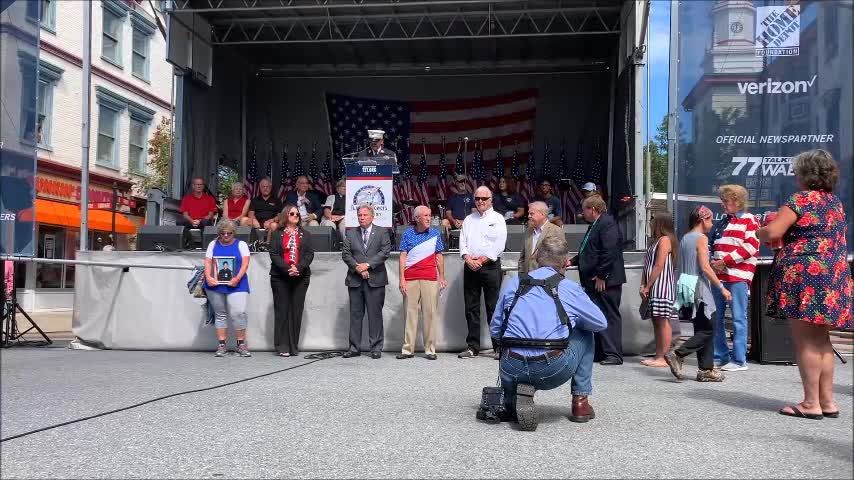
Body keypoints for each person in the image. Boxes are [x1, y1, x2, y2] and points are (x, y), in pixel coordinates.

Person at [759, 149, 852, 420]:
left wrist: (759, 230)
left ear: (805, 174)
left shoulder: (800, 199)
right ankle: (827, 401)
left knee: (805, 341)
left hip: (805, 274)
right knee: (823, 340)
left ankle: (811, 403)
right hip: (832, 274)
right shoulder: (834, 202)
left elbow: (774, 231)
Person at [489, 235, 608, 431]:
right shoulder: (569, 288)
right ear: (565, 263)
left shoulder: (513, 283)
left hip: (511, 365)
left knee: (511, 338)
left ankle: (512, 397)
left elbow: (495, 328)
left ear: (536, 257)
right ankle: (580, 402)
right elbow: (600, 323)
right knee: (586, 333)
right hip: (552, 369)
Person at [665, 206, 731, 382]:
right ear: (702, 220)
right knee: (710, 329)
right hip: (699, 287)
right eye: (710, 220)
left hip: (686, 286)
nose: (711, 224)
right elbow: (704, 268)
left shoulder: (685, 238)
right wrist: (721, 288)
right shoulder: (701, 238)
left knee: (702, 327)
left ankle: (705, 369)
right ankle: (678, 353)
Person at [569, 195, 626, 365]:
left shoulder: (607, 224)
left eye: (584, 209)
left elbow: (609, 251)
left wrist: (602, 275)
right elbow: (589, 250)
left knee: (608, 314)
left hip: (605, 281)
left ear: (593, 209)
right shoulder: (595, 225)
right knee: (597, 314)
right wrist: (572, 261)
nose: (582, 213)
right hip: (594, 281)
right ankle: (601, 351)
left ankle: (614, 354)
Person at [709, 184, 760, 372]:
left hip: (737, 277)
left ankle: (739, 360)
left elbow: (751, 246)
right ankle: (721, 356)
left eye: (726, 200)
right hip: (718, 277)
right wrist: (711, 262)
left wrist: (725, 261)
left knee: (739, 318)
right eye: (722, 200)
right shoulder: (722, 222)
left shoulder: (750, 220)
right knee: (717, 317)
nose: (722, 204)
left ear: (737, 201)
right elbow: (712, 245)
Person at [458, 186, 507, 359]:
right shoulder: (468, 219)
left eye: (484, 198)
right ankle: (473, 347)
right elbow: (462, 240)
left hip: (490, 267)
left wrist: (482, 260)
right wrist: (466, 257)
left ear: (491, 200)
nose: (480, 201)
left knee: (493, 307)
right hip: (470, 266)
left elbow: (499, 245)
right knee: (471, 308)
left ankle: (498, 347)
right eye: (477, 198)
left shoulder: (498, 219)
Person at [342, 204, 392, 359]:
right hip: (355, 280)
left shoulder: (382, 232)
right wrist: (358, 268)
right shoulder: (350, 233)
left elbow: (385, 252)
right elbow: (346, 254)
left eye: (364, 215)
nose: (361, 217)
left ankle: (376, 347)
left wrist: (367, 265)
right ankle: (354, 347)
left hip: (375, 280)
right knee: (355, 315)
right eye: (359, 215)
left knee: (374, 314)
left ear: (372, 216)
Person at [397, 205, 446, 360]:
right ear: (416, 218)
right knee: (410, 314)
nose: (428, 218)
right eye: (425, 215)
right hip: (410, 278)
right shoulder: (407, 234)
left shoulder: (435, 234)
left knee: (430, 313)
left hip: (430, 278)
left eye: (430, 215)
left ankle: (430, 349)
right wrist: (401, 279)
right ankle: (407, 349)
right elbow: (402, 257)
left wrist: (442, 277)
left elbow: (439, 257)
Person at [269, 204, 315, 357]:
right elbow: (274, 254)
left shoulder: (306, 235)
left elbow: (309, 254)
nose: (296, 216)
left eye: (297, 214)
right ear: (285, 216)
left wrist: (298, 268)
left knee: (296, 311)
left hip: (300, 277)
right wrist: (287, 268)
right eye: (292, 213)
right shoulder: (277, 234)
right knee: (282, 310)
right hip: (280, 276)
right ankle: (282, 346)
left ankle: (293, 345)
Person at [203, 219, 251, 357]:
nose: (225, 236)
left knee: (239, 313)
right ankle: (222, 345)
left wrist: (236, 279)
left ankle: (241, 344)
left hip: (238, 284)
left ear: (233, 233)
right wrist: (208, 277)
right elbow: (207, 262)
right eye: (223, 233)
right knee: (220, 314)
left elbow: (245, 264)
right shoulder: (213, 244)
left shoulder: (241, 244)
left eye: (229, 233)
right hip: (215, 284)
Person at [639, 210, 678, 368]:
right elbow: (647, 266)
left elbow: (659, 265)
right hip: (653, 287)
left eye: (653, 220)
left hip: (662, 287)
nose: (650, 222)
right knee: (657, 321)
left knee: (663, 321)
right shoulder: (655, 241)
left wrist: (648, 285)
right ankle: (659, 354)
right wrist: (643, 284)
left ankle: (664, 357)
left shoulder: (665, 240)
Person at [518, 201, 563, 275]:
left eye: (531, 213)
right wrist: (521, 275)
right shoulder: (528, 231)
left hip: (547, 280)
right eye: (528, 213)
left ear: (542, 214)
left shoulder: (556, 231)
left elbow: (560, 259)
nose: (528, 216)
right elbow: (522, 257)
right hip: (527, 280)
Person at [243, 177, 282, 245]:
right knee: (243, 220)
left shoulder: (277, 200)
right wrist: (254, 220)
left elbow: (280, 215)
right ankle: (250, 245)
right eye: (263, 186)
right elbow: (250, 213)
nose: (265, 188)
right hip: (257, 223)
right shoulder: (255, 200)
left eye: (267, 186)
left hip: (271, 224)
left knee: (274, 225)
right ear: (260, 188)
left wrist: (271, 221)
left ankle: (267, 245)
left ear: (270, 187)